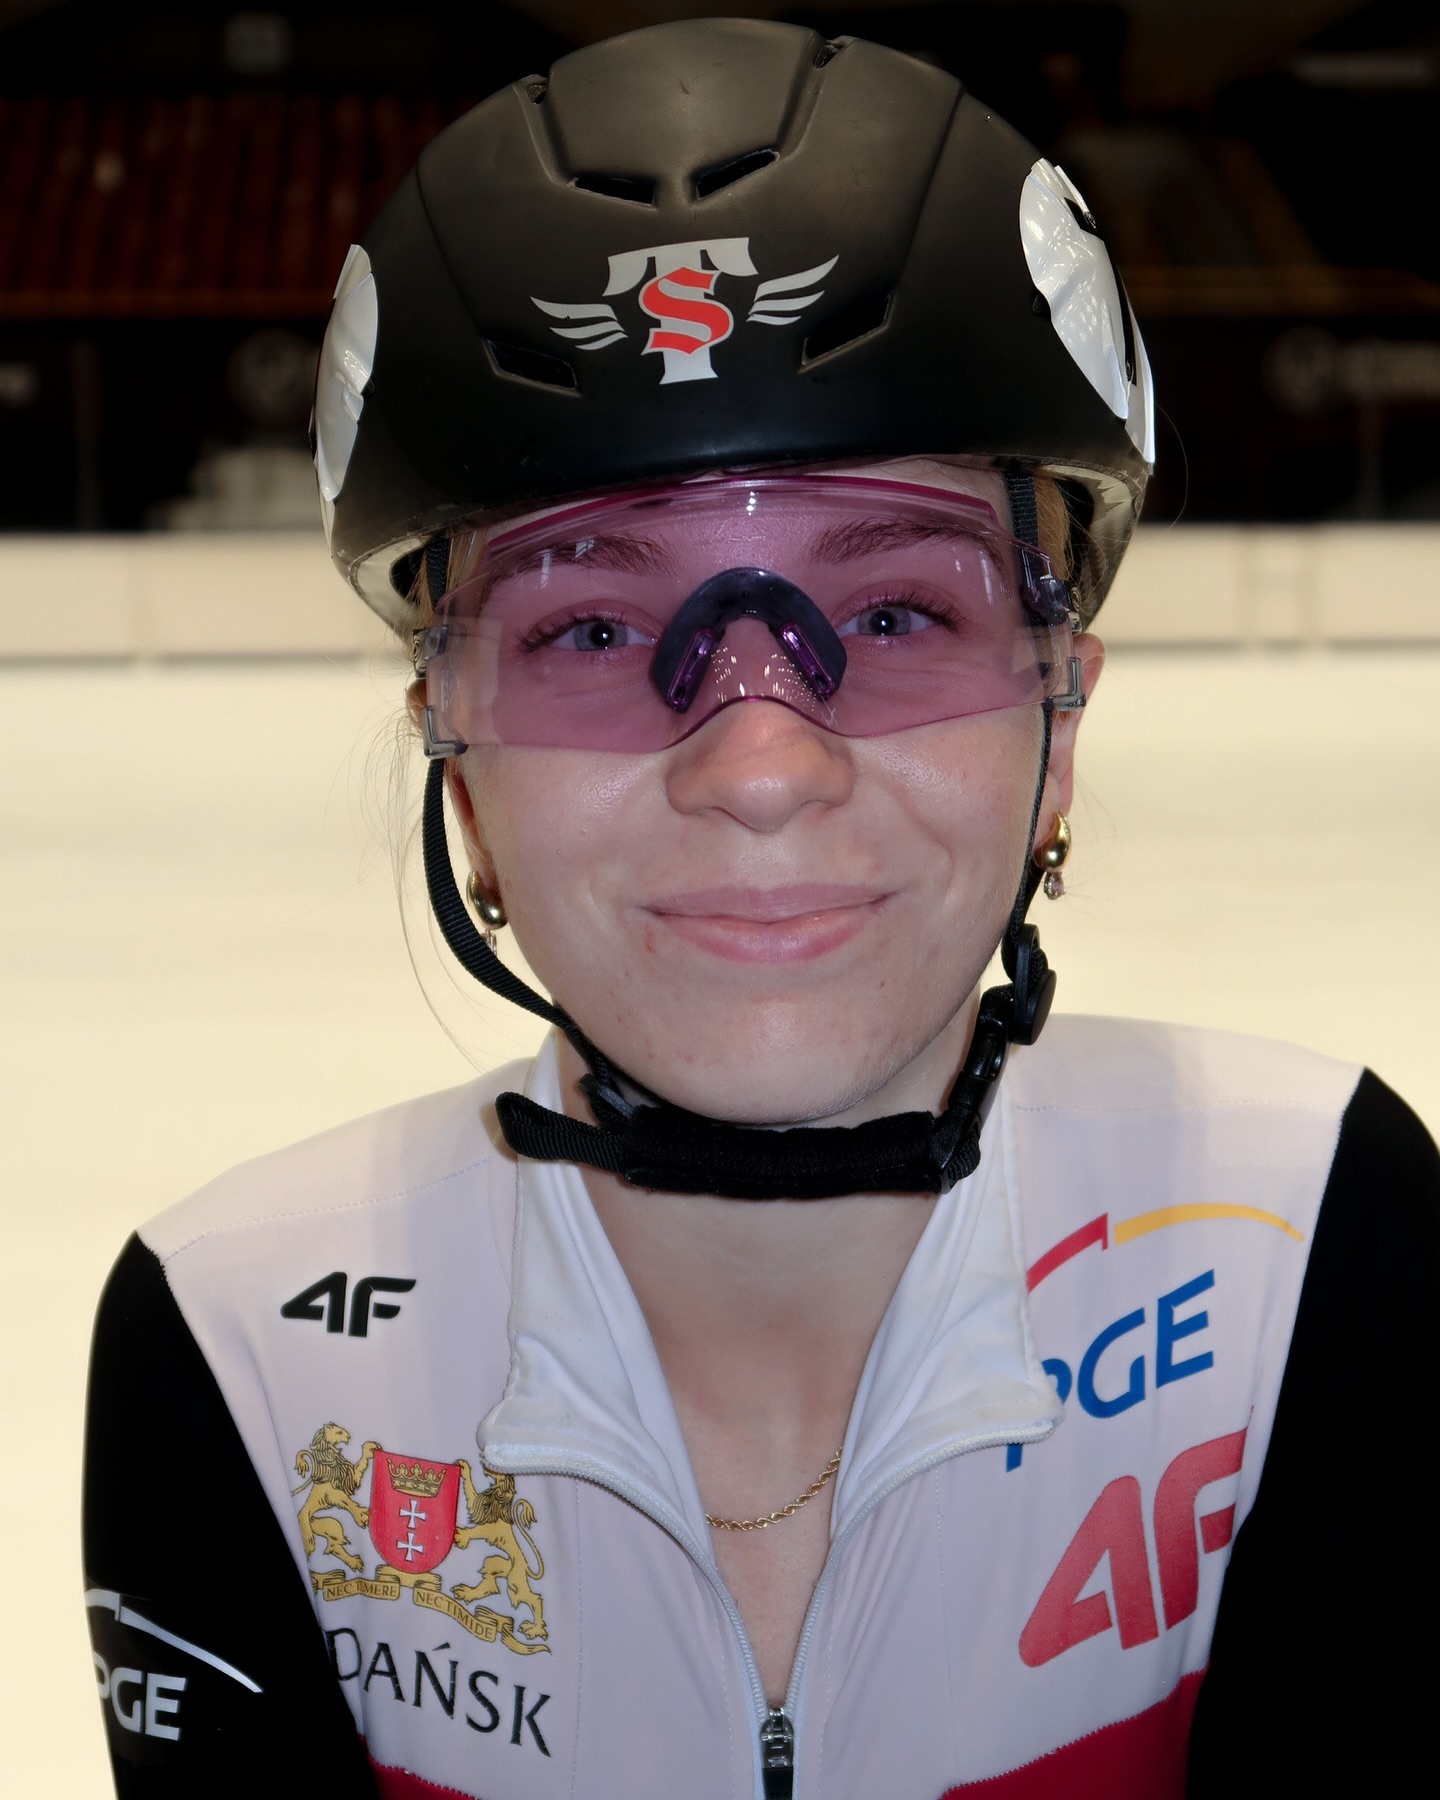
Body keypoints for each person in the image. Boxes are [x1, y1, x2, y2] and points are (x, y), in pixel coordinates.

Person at [83, 19, 1435, 1800]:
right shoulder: (242, 1349)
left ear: (1062, 727)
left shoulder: (1309, 1247)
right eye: (587, 629)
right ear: (461, 774)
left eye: (892, 617)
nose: (762, 765)